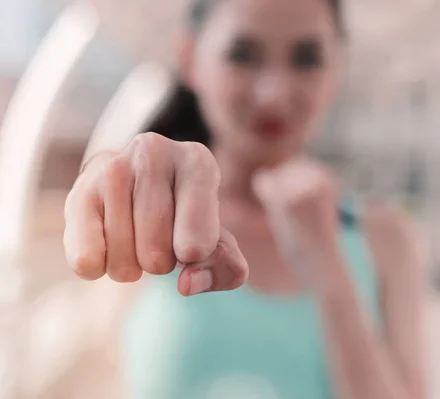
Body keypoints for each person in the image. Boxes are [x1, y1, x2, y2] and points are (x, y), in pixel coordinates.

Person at [63, 0, 428, 397]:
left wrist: (328, 263)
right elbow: (110, 185)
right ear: (190, 59)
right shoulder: (155, 210)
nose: (273, 95)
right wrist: (106, 173)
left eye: (307, 59)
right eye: (242, 55)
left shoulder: (384, 237)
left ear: (337, 67)